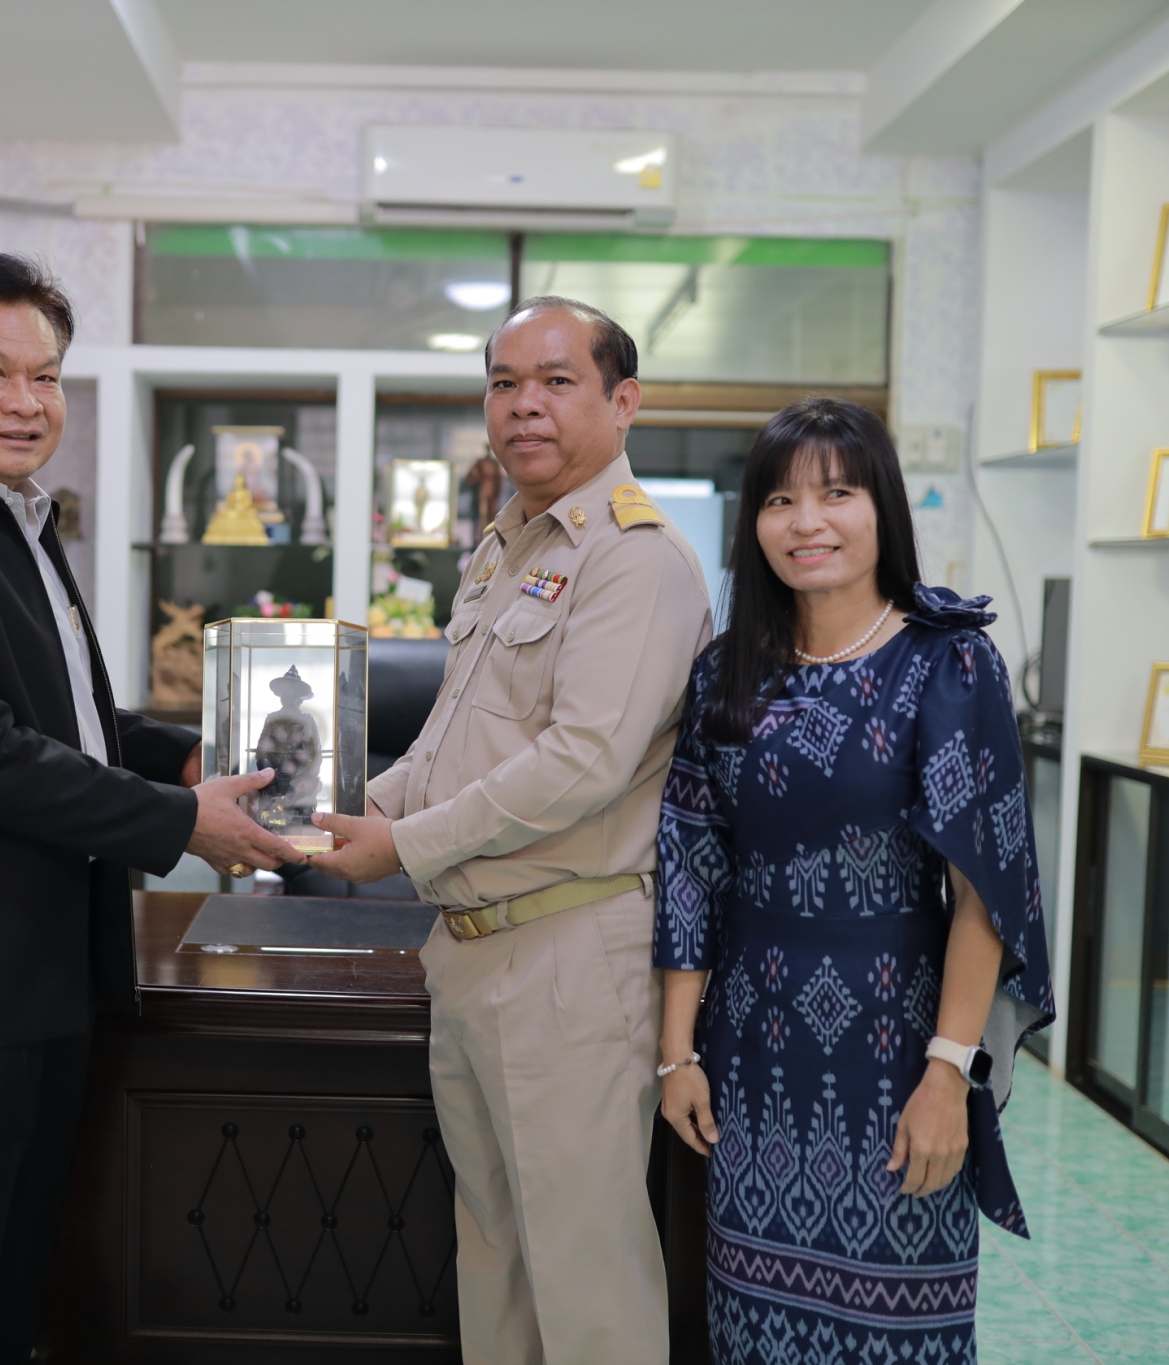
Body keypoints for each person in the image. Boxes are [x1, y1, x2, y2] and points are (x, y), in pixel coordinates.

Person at [0, 252, 294, 1363]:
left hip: (32, 965)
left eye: (46, 376)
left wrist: (181, 756)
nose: (27, 402)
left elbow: (63, 713)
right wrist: (180, 822)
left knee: (11, 1275)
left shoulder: (11, 516)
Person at [311, 297, 712, 1364]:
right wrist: (362, 806)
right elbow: (453, 735)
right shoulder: (505, 547)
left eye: (556, 380)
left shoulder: (634, 558)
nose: (523, 405)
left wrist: (403, 846)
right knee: (494, 1254)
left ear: (623, 402)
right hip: (473, 950)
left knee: (583, 1276)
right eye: (503, 383)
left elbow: (582, 760)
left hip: (567, 955)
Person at [653, 398, 1055, 1362]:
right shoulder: (724, 674)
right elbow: (691, 869)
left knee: (900, 1326)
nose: (808, 522)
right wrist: (676, 1056)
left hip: (899, 1054)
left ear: (883, 508)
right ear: (753, 523)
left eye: (837, 494)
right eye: (780, 500)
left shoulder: (949, 663)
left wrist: (948, 1074)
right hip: (752, 1058)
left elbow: (983, 891)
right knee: (753, 1325)